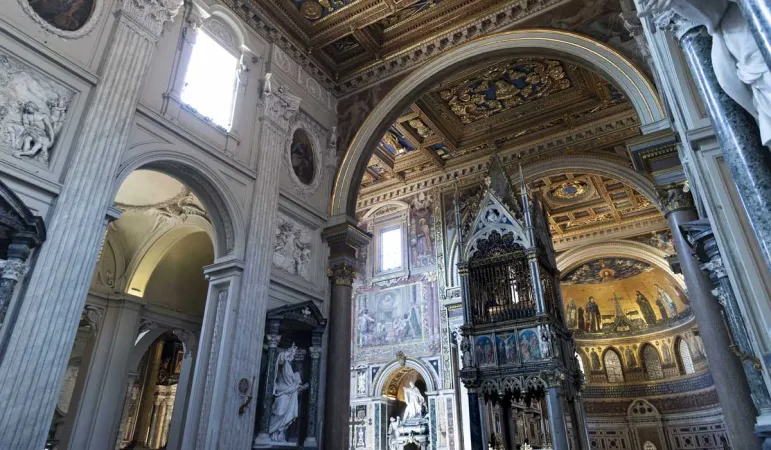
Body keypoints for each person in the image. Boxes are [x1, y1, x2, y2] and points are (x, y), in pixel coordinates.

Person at [269, 344, 308, 442]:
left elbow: (293, 385)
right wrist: (287, 352)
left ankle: (279, 435)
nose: (293, 356)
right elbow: (280, 360)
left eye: (294, 355)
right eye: (292, 354)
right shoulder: (283, 363)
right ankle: (270, 432)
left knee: (286, 417)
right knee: (279, 413)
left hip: (289, 395)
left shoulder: (290, 367)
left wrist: (301, 388)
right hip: (281, 394)